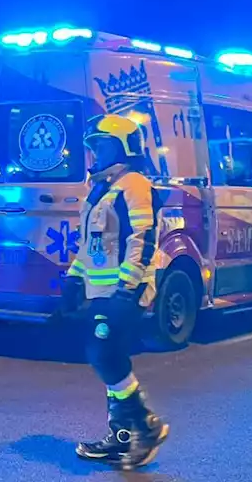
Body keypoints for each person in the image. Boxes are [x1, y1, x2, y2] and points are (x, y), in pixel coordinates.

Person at [63, 114, 168, 469]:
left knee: (104, 355)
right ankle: (122, 440)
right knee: (110, 358)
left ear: (122, 148)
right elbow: (91, 245)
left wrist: (128, 288)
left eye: (101, 146)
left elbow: (143, 238)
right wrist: (74, 278)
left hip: (123, 291)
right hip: (100, 290)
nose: (95, 154)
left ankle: (145, 425)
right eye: (93, 147)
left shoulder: (134, 184)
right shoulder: (101, 189)